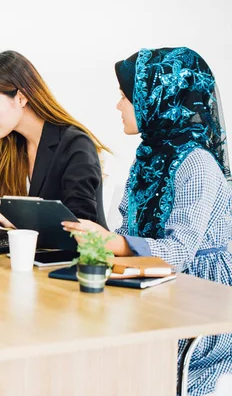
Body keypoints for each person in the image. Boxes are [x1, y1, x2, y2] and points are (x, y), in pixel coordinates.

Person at [62, 47, 232, 396]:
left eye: (125, 97)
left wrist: (117, 245)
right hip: (156, 284)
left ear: (158, 99)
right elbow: (131, 229)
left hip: (202, 303)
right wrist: (103, 244)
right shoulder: (150, 159)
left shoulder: (197, 164)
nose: (118, 106)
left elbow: (179, 252)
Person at [0, 50, 110, 227]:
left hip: (77, 254)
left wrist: (14, 220)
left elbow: (80, 224)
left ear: (21, 98)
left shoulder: (75, 145)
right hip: (30, 254)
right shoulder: (13, 143)